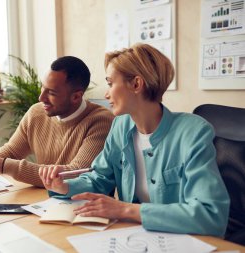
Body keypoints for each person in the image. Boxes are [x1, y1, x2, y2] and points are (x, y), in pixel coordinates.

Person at [39, 43, 230, 236]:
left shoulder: (193, 132)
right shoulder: (120, 126)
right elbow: (100, 178)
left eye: (110, 83)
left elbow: (211, 214)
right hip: (134, 237)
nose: (106, 94)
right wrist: (65, 187)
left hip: (182, 241)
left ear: (136, 84)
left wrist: (124, 209)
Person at [0, 56, 114, 187]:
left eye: (52, 93)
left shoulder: (101, 121)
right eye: (43, 88)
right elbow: (11, 151)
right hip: (43, 201)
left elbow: (75, 174)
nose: (41, 97)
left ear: (76, 96)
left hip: (81, 205)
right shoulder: (37, 112)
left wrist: (2, 165)